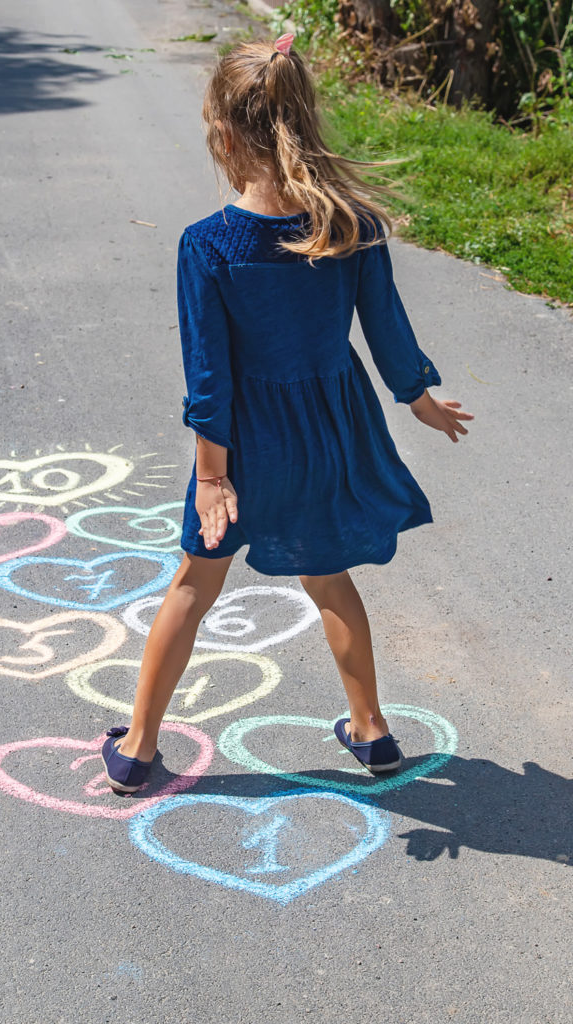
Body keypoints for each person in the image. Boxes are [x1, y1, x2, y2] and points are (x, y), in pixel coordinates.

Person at [101, 33, 473, 792]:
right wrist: (420, 399)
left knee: (194, 585)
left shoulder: (208, 246)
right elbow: (387, 329)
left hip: (245, 444)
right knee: (328, 575)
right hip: (330, 430)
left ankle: (137, 748)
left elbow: (209, 376)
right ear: (304, 119)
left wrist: (214, 478)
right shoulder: (350, 225)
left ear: (223, 133)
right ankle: (372, 732)